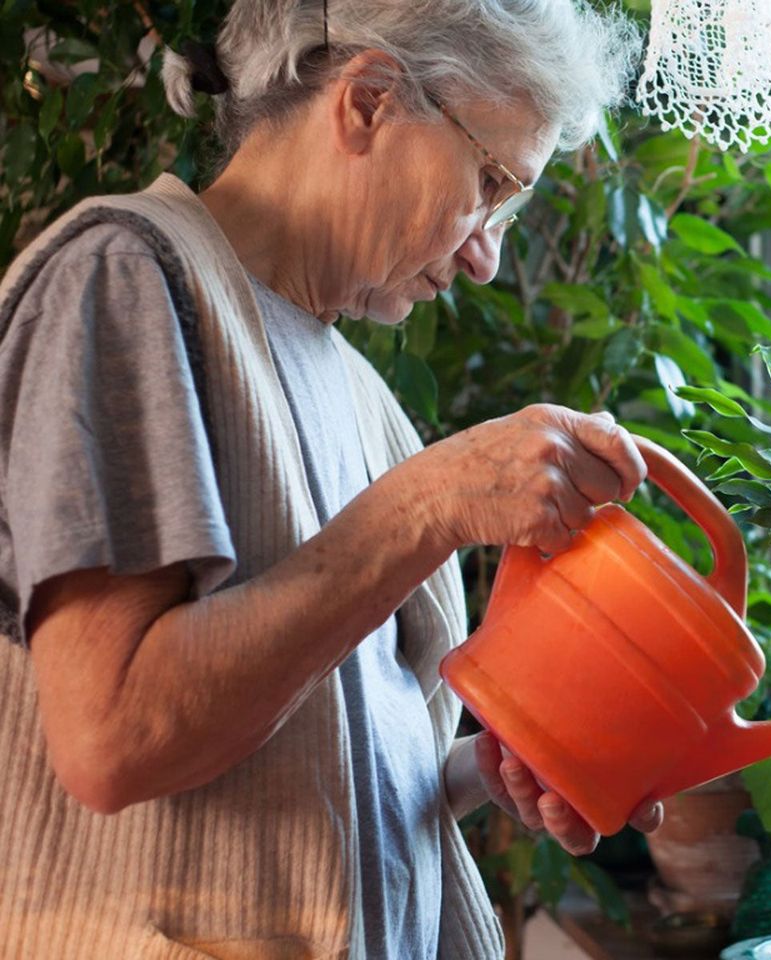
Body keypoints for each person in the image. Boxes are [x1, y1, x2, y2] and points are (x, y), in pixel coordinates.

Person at [0, 1, 656, 957]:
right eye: (489, 183)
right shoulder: (123, 279)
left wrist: (490, 765)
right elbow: (113, 739)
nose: (486, 257)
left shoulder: (362, 396)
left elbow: (318, 762)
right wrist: (430, 506)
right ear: (369, 102)